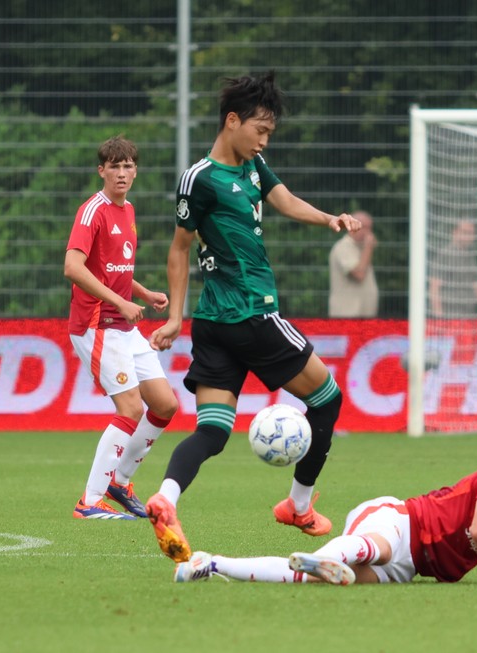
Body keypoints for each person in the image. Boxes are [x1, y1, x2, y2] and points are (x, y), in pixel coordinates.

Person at [146, 71, 361, 562]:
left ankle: (166, 499)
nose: (264, 139)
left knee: (213, 431)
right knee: (328, 400)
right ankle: (298, 507)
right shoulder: (201, 179)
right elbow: (179, 249)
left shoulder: (254, 164)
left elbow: (282, 200)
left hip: (215, 326)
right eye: (260, 130)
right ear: (232, 120)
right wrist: (172, 316)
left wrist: (328, 218)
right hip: (253, 315)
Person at [174, 437, 477, 586]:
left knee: (314, 581)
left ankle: (208, 564)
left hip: (414, 568)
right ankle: (329, 555)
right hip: (401, 523)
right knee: (372, 548)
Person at [64, 135, 178, 520]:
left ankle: (120, 480)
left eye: (129, 166)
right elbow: (73, 268)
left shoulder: (127, 211)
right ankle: (90, 501)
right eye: (115, 166)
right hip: (96, 324)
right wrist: (120, 302)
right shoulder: (92, 211)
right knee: (129, 407)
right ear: (102, 170)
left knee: (164, 404)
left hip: (122, 323)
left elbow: (114, 270)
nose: (122, 173)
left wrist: (143, 293)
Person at [428, 219, 477, 317]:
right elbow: (434, 287)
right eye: (465, 232)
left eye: (471, 233)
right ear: (455, 232)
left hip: (469, 316)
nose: (468, 236)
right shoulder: (445, 255)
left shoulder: (470, 257)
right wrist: (439, 316)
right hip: (449, 316)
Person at [328, 210, 378, 317]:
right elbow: (359, 274)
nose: (368, 233)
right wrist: (368, 247)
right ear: (352, 226)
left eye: (370, 228)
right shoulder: (343, 247)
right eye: (364, 227)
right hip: (347, 315)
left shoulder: (360, 248)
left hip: (363, 316)